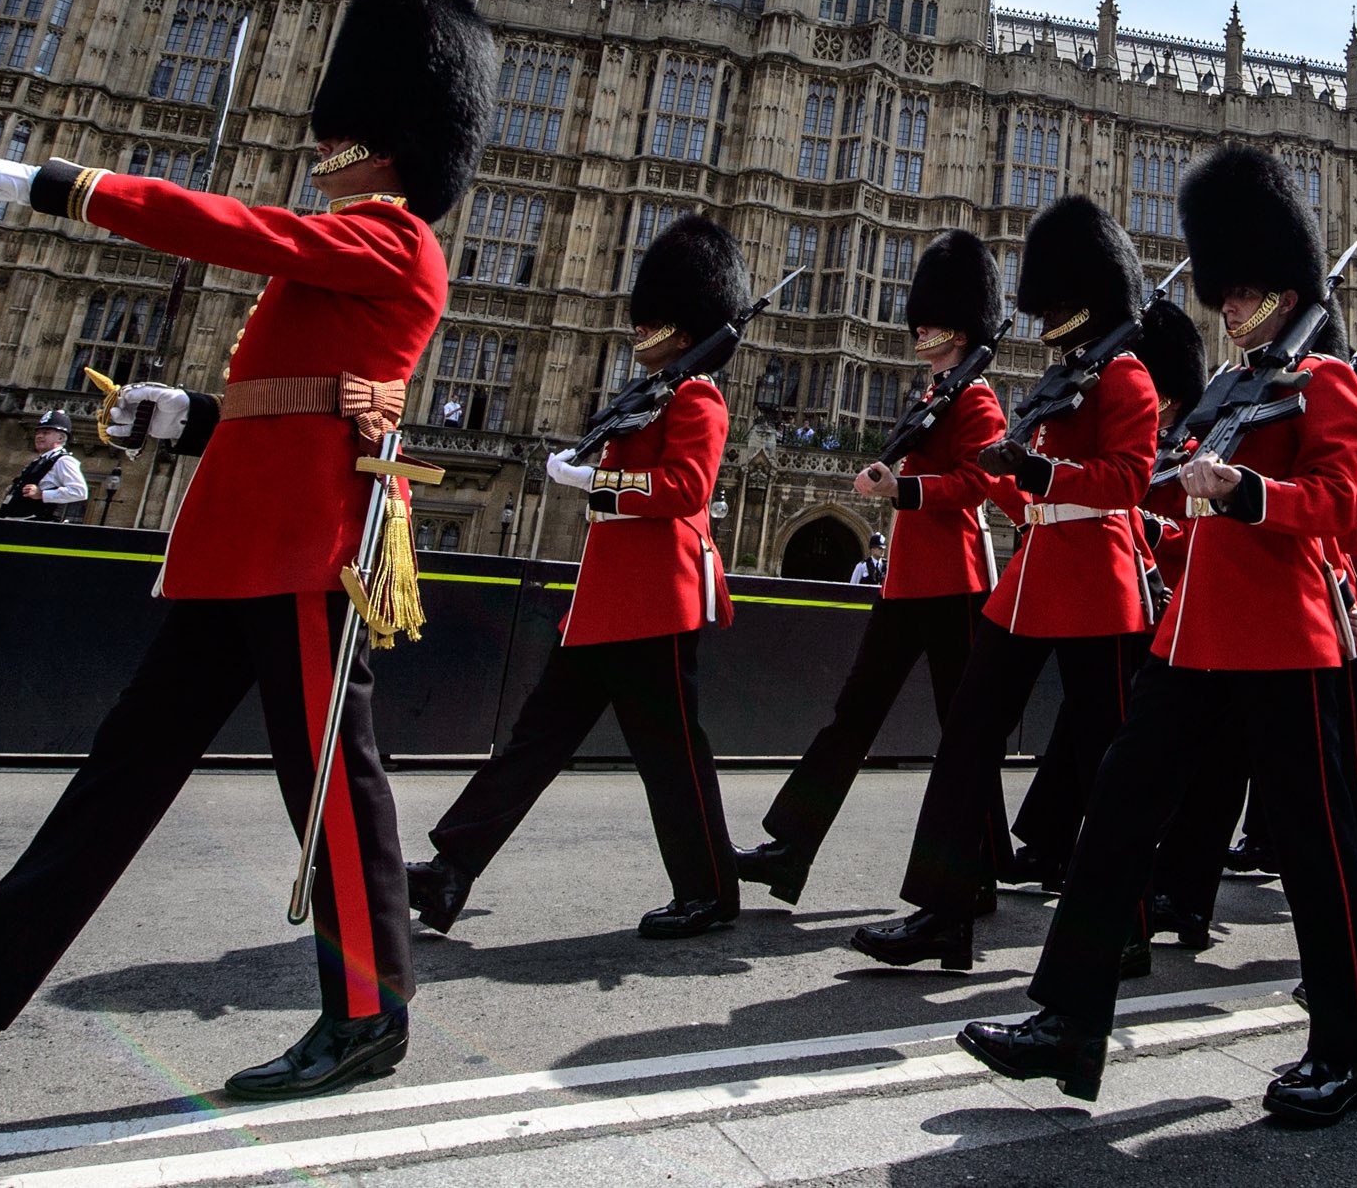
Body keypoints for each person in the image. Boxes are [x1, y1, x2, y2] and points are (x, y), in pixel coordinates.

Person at [0, 0, 489, 1103]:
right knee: (117, 782)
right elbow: (297, 396)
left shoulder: (395, 239)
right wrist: (190, 415)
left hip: (312, 546)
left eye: (341, 137)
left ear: (390, 142)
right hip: (241, 539)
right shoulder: (349, 242)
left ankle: (369, 1014)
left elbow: (233, 230)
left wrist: (63, 186)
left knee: (334, 788)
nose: (324, 153)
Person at [958, 146, 1357, 1126]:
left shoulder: (1327, 384)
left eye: (1245, 293)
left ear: (1285, 286)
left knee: (1315, 847)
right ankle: (1067, 1015)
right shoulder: (1230, 390)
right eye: (1223, 294)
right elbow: (1157, 478)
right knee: (1114, 811)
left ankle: (1345, 1043)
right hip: (1191, 638)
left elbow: (1350, 503)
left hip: (1285, 637)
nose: (1229, 309)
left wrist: (1252, 493)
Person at [408, 214, 749, 941]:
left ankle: (711, 890)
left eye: (654, 322)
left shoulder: (697, 397)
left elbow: (686, 488)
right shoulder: (651, 392)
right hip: (606, 601)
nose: (640, 333)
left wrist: (600, 482)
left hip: (656, 597)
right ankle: (450, 869)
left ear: (683, 328)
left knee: (672, 755)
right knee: (535, 741)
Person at [850, 196, 1159, 970]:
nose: (1047, 314)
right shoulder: (1060, 383)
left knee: (1105, 764)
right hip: (1030, 581)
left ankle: (1129, 920)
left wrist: (1038, 471)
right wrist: (1007, 474)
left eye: (1059, 300)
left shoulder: (1126, 379)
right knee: (967, 738)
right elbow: (1030, 490)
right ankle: (944, 912)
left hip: (1096, 580)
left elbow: (1128, 479)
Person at [739, 230, 1008, 907]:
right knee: (851, 717)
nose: (921, 330)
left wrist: (904, 489)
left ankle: (979, 862)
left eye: (933, 321)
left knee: (965, 731)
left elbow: (976, 482)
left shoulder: (975, 399)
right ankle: (792, 848)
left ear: (960, 325)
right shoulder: (932, 394)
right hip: (908, 579)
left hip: (956, 581)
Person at [0, 410, 89, 522]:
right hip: (12, 520)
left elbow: (79, 491)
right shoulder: (39, 461)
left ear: (60, 438)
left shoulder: (63, 461)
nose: (39, 436)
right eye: (38, 433)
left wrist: (42, 494)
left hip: (35, 523)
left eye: (46, 433)